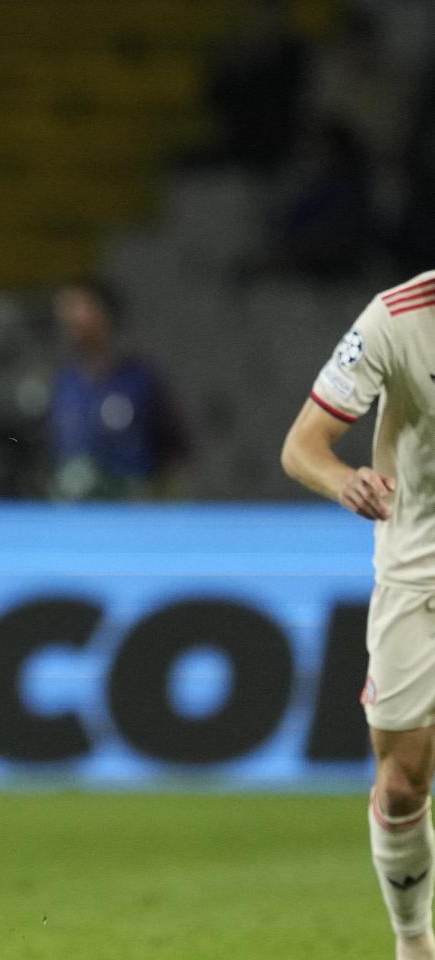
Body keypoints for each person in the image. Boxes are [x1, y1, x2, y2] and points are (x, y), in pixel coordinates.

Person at [284, 270, 435, 960]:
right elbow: (301, 446)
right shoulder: (396, 318)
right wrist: (344, 480)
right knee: (402, 783)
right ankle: (413, 943)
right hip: (418, 571)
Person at [46, 280, 189, 501]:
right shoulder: (63, 384)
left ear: (104, 315)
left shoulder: (140, 381)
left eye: (79, 308)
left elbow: (177, 453)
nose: (69, 318)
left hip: (130, 516)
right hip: (74, 519)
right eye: (65, 310)